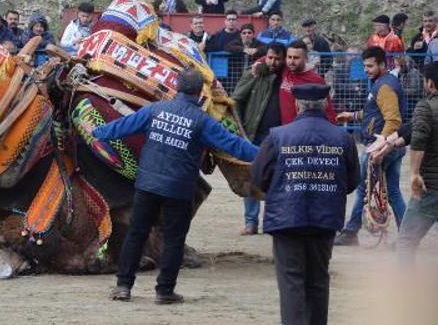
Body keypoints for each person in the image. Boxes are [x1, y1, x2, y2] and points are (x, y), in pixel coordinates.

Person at [96, 68, 259, 304]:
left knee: (136, 235)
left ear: (176, 87)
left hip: (148, 185)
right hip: (179, 189)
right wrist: (265, 152)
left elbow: (122, 127)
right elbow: (233, 145)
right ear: (199, 93)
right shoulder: (202, 121)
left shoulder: (155, 110)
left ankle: (123, 286)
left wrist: (97, 131)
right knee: (173, 240)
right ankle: (164, 291)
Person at [251, 83, 359, 325]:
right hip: (325, 218)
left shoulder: (277, 135)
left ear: (297, 105)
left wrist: (282, 189)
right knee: (319, 280)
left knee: (291, 282)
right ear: (326, 105)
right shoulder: (343, 138)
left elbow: (258, 177)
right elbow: (351, 181)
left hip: (286, 217)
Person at [335, 47, 406, 245]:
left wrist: (380, 146)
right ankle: (408, 235)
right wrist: (352, 116)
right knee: (392, 191)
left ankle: (350, 233)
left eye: (370, 66)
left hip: (382, 146)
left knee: (362, 188)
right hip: (393, 145)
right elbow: (375, 113)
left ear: (383, 64)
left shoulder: (384, 87)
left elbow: (393, 120)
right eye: (365, 65)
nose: (366, 69)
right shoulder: (382, 84)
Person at [232, 44, 286, 235]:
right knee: (251, 176)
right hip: (253, 134)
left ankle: (271, 221)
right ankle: (251, 222)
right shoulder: (255, 74)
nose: (273, 62)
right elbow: (236, 99)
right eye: (270, 58)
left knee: (276, 178)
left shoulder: (287, 78)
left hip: (278, 137)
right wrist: (239, 129)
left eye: (278, 58)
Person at [396, 62, 438, 264]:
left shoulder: (426, 106)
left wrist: (414, 173)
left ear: (430, 83)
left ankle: (406, 289)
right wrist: (393, 141)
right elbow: (414, 129)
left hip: (431, 187)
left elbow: (420, 136)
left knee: (406, 241)